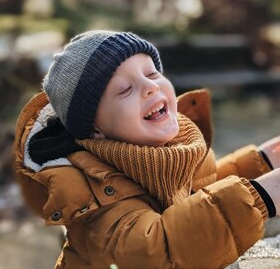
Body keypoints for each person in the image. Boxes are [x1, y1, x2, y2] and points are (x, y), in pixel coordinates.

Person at [14, 30, 280, 269]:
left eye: (152, 73)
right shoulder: (89, 193)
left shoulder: (173, 150)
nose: (150, 86)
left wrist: (261, 163)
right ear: (95, 128)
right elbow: (156, 251)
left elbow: (197, 193)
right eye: (125, 89)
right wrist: (261, 196)